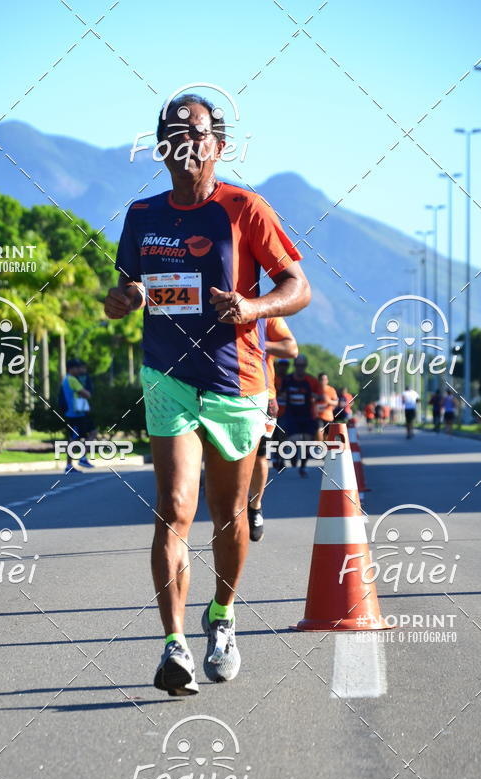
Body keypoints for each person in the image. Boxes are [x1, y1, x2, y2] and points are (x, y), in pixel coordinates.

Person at [105, 93, 310, 696]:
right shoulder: (142, 215)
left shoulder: (246, 209)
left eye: (194, 131)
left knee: (230, 516)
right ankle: (173, 646)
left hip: (236, 381)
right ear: (161, 146)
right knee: (173, 508)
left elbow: (297, 286)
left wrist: (253, 306)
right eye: (171, 131)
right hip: (167, 376)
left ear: (217, 144)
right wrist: (121, 301)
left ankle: (221, 616)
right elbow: (129, 290)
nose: (183, 140)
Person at [247, 318, 298, 541]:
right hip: (222, 393)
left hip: (263, 397)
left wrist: (257, 342)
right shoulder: (217, 306)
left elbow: (291, 348)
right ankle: (231, 511)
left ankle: (255, 507)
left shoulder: (266, 315)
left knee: (259, 458)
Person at [277, 355, 320, 478]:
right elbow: (281, 393)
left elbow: (320, 395)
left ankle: (303, 466)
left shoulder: (311, 380)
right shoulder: (288, 379)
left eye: (302, 365)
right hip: (291, 414)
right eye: (298, 365)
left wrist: (316, 397)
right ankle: (293, 454)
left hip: (307, 415)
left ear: (305, 366)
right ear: (294, 365)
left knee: (307, 441)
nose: (300, 368)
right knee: (294, 439)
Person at [59, 358, 95, 473]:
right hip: (75, 415)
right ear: (71, 369)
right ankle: (80, 459)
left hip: (75, 414)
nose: (79, 370)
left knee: (77, 438)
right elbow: (86, 394)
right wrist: (87, 392)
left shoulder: (66, 380)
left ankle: (72, 463)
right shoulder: (72, 380)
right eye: (76, 368)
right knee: (75, 439)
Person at [315, 372, 339, 440]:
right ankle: (319, 448)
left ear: (327, 380)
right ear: (318, 380)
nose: (324, 381)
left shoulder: (331, 389)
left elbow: (336, 402)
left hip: (328, 417)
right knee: (319, 431)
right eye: (322, 379)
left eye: (325, 379)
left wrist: (328, 401)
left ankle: (325, 448)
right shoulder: (314, 389)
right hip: (317, 416)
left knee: (327, 437)